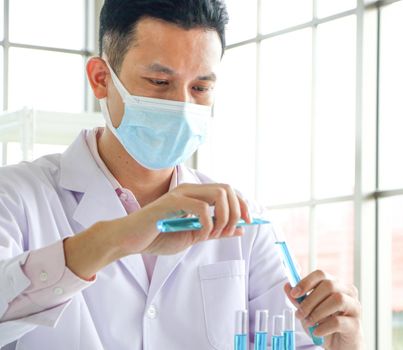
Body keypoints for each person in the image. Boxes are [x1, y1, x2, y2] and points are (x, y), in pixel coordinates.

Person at [0, 1, 362, 349]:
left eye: (201, 88)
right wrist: (120, 237)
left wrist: (343, 346)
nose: (183, 106)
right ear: (101, 80)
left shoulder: (246, 223)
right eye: (159, 82)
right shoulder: (16, 196)